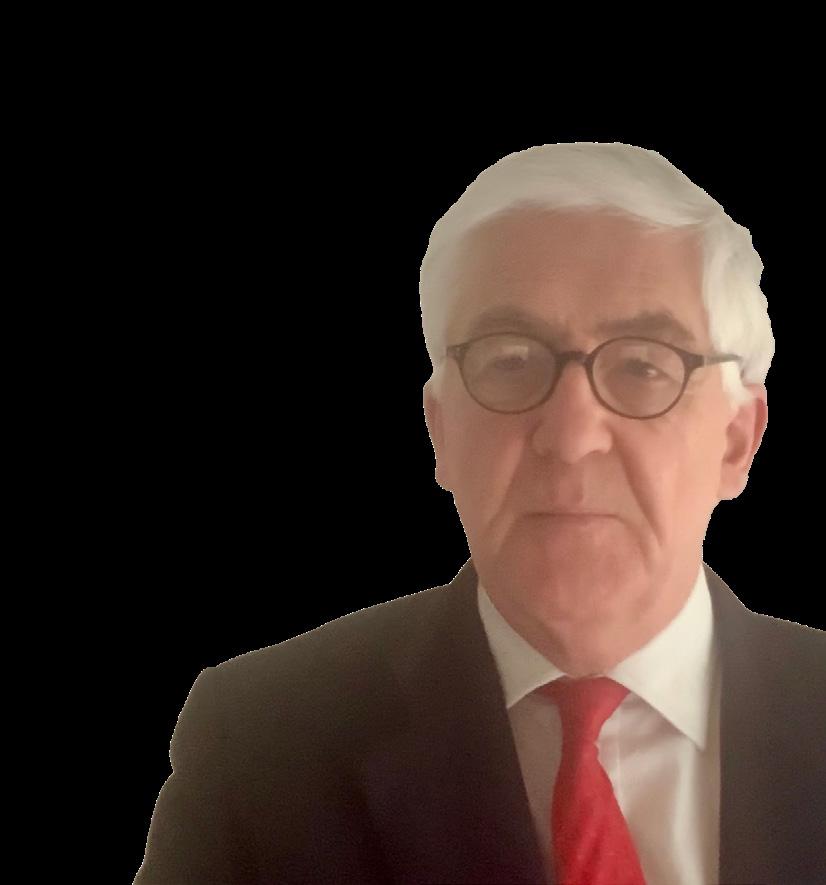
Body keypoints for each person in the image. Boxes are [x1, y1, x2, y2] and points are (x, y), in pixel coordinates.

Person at [134, 143, 825, 885]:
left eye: (642, 366)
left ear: (736, 439)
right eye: (511, 360)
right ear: (441, 430)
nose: (571, 437)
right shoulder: (257, 747)